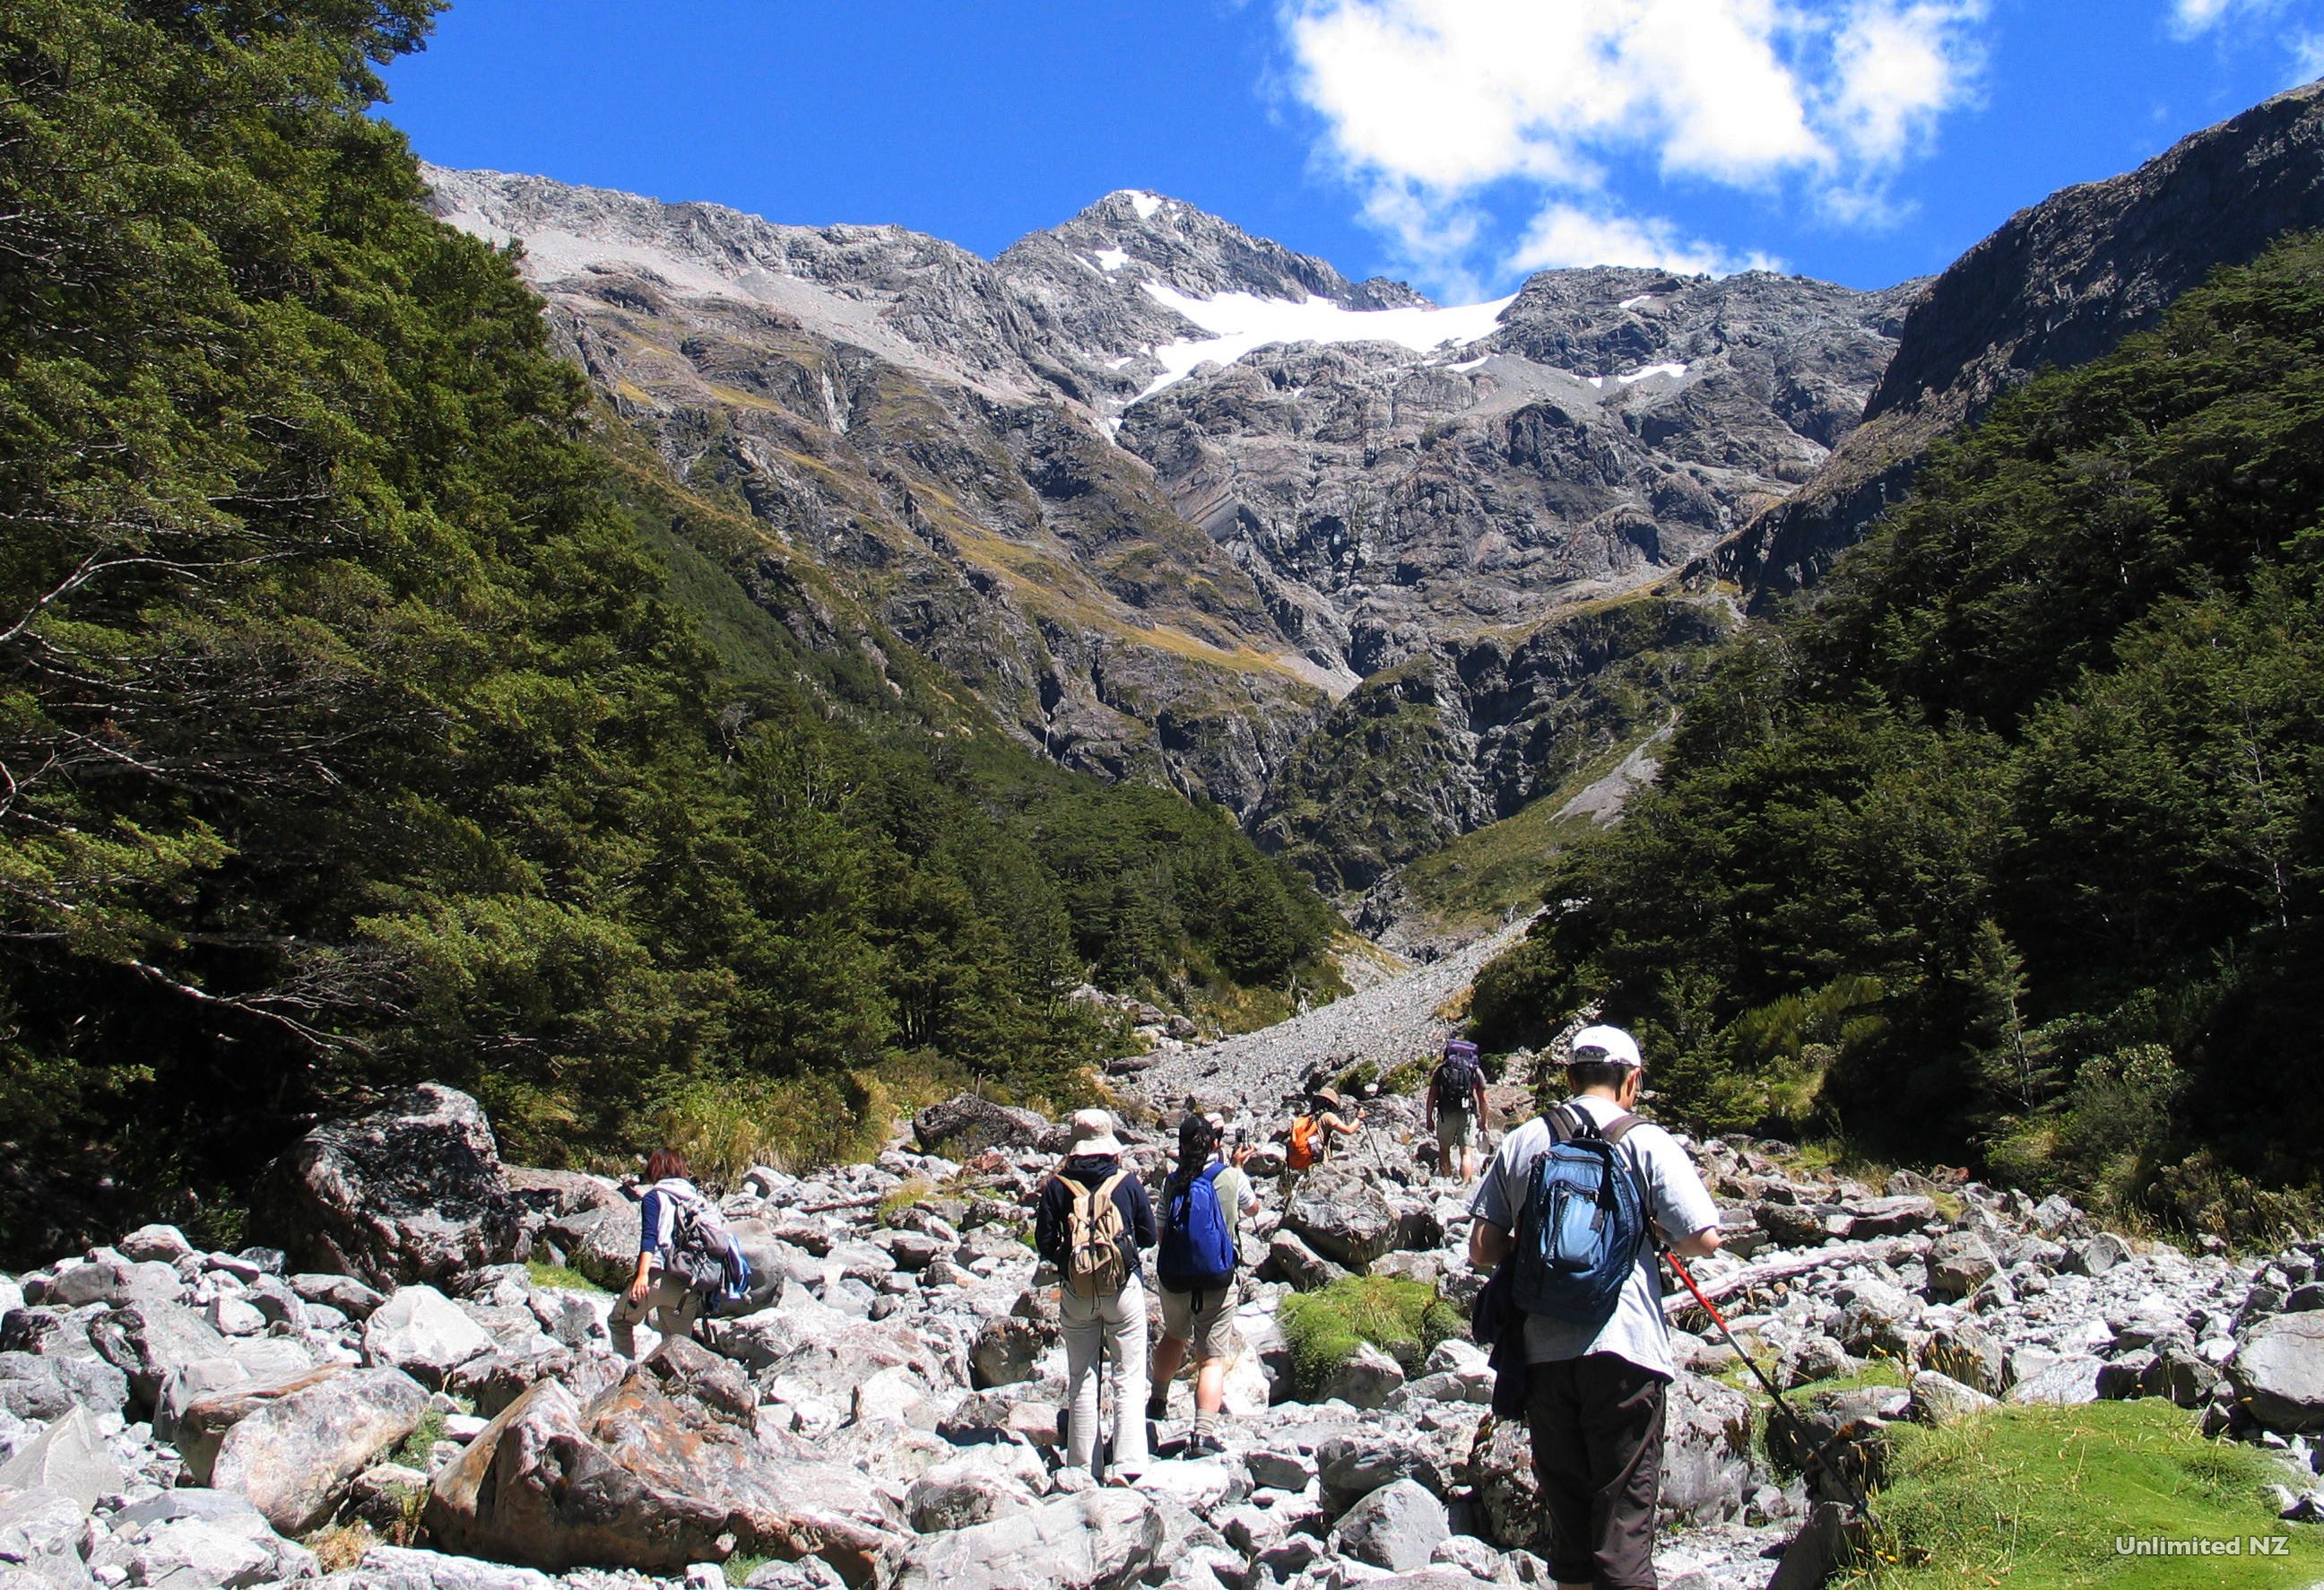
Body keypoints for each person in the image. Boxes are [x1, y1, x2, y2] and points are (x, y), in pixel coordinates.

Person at [1467, 1025, 1723, 1590]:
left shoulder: (1527, 1138)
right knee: (1623, 1526)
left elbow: (1482, 1248)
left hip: (1543, 1356)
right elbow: (1703, 1238)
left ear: (1569, 1077)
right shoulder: (1648, 1140)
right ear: (1631, 1080)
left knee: (1571, 1530)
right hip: (1626, 1350)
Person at [1036, 1108, 1156, 1478]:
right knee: (1129, 1373)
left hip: (1076, 1291)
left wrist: (1070, 1264)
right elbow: (1149, 1236)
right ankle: (1129, 1464)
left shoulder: (1057, 1186)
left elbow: (1044, 1242)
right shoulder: (1127, 1182)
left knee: (1082, 1376)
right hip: (1121, 1288)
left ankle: (1082, 1466)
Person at [1149, 1113, 1262, 1455]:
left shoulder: (1172, 1182)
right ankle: (1202, 1434)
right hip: (1217, 1277)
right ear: (1215, 1143)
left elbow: (1161, 1232)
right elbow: (1253, 1209)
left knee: (1174, 1334)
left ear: (1180, 1146)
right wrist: (1239, 1168)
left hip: (1175, 1277)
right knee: (1211, 1358)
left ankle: (1157, 1401)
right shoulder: (1231, 1176)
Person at [611, 1148, 721, 1358]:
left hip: (657, 1279)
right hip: (689, 1288)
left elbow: (650, 1239)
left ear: (656, 1168)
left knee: (619, 1321)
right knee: (677, 1350)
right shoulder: (697, 1200)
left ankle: (627, 1378)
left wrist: (642, 1275)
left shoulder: (655, 1197)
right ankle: (675, 1388)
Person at [1424, 1037, 1489, 1184]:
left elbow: (1432, 1096)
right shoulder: (1475, 1071)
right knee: (1466, 1151)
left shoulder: (1442, 1070)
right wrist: (1483, 1121)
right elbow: (1483, 1100)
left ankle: (1446, 1182)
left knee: (1444, 1150)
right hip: (1467, 1113)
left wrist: (1429, 1119)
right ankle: (1465, 1185)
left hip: (1445, 1113)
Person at [1279, 1090, 1358, 1195]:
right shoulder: (1327, 1116)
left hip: (1296, 1163)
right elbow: (1348, 1130)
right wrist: (1359, 1119)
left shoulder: (1302, 1118)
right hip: (1317, 1162)